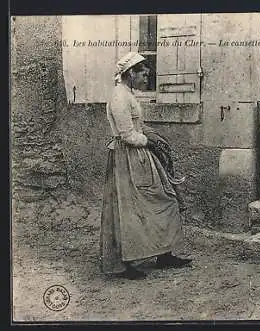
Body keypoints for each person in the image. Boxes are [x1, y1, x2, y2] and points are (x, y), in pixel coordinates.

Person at [100, 52, 191, 280]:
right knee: (130, 210)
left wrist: (151, 136)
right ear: (131, 73)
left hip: (139, 156)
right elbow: (127, 135)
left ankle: (164, 254)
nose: (146, 80)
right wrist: (149, 141)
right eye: (144, 75)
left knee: (165, 200)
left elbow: (137, 126)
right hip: (127, 159)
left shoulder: (128, 94)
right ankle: (126, 264)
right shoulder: (119, 97)